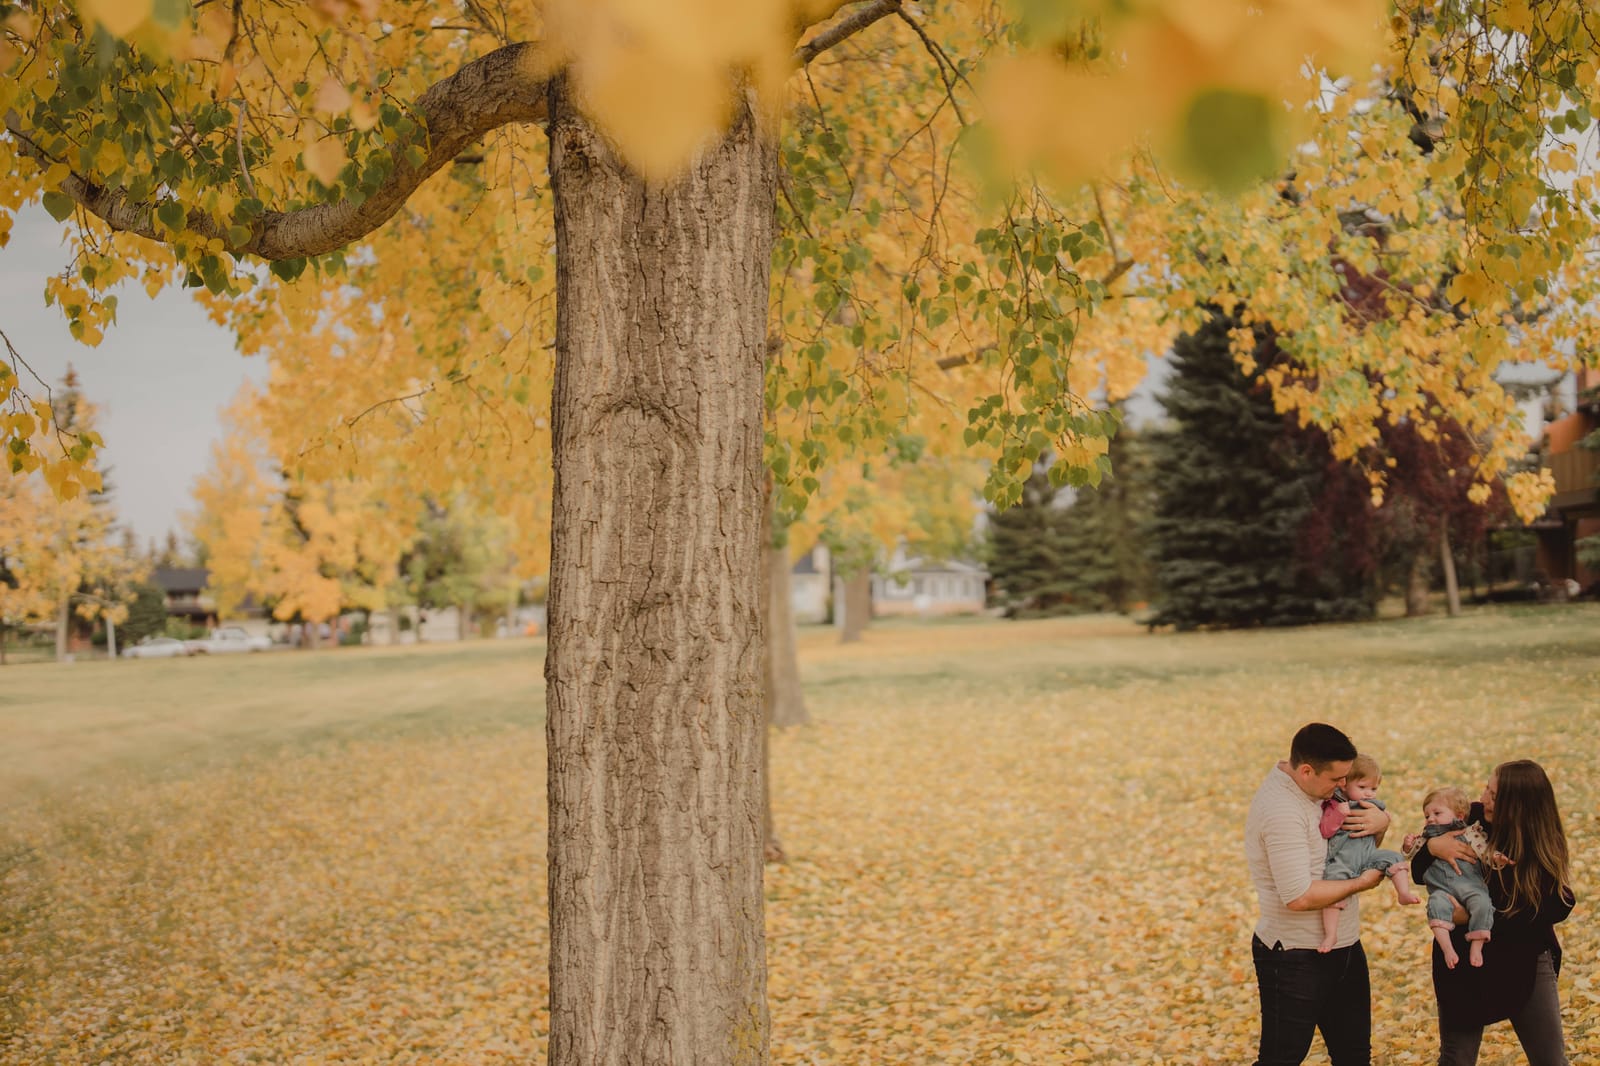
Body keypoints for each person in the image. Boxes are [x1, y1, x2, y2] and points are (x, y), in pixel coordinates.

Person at [1411, 760, 1576, 1066]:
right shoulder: (1468, 818)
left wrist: (1476, 919)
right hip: (1462, 963)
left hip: (1523, 959)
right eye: (1487, 789)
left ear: (1519, 805)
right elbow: (1420, 872)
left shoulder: (1538, 844)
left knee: (1551, 1060)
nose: (1484, 799)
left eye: (1495, 796)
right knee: (1456, 1059)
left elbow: (1560, 904)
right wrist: (1433, 846)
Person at [1245, 722, 1392, 1066]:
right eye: (1336, 779)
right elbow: (1298, 896)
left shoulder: (1322, 791)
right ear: (1307, 770)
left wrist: (1380, 825)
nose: (1343, 786)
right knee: (1282, 1059)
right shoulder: (1281, 811)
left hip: (1344, 945)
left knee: (1354, 1057)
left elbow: (1354, 852)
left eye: (1346, 778)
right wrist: (1363, 883)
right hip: (1294, 956)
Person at [1319, 754, 1420, 953]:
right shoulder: (1334, 804)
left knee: (1393, 858)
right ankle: (1331, 934)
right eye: (1362, 787)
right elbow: (1326, 830)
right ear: (1344, 785)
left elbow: (1382, 819)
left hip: (1368, 856)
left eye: (1373, 789)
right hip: (1343, 860)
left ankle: (1403, 893)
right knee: (1332, 886)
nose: (1369, 794)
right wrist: (1340, 813)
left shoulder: (1375, 805)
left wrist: (1384, 819)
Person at [1402, 787, 1506, 969]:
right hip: (1441, 890)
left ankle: (1477, 944)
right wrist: (1409, 846)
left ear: (1459, 816)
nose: (1430, 819)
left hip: (1470, 886)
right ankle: (1447, 948)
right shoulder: (1426, 837)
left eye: (1437, 813)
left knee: (1482, 904)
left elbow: (1484, 852)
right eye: (1427, 816)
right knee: (1436, 905)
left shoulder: (1471, 833)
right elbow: (1413, 859)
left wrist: (1497, 857)